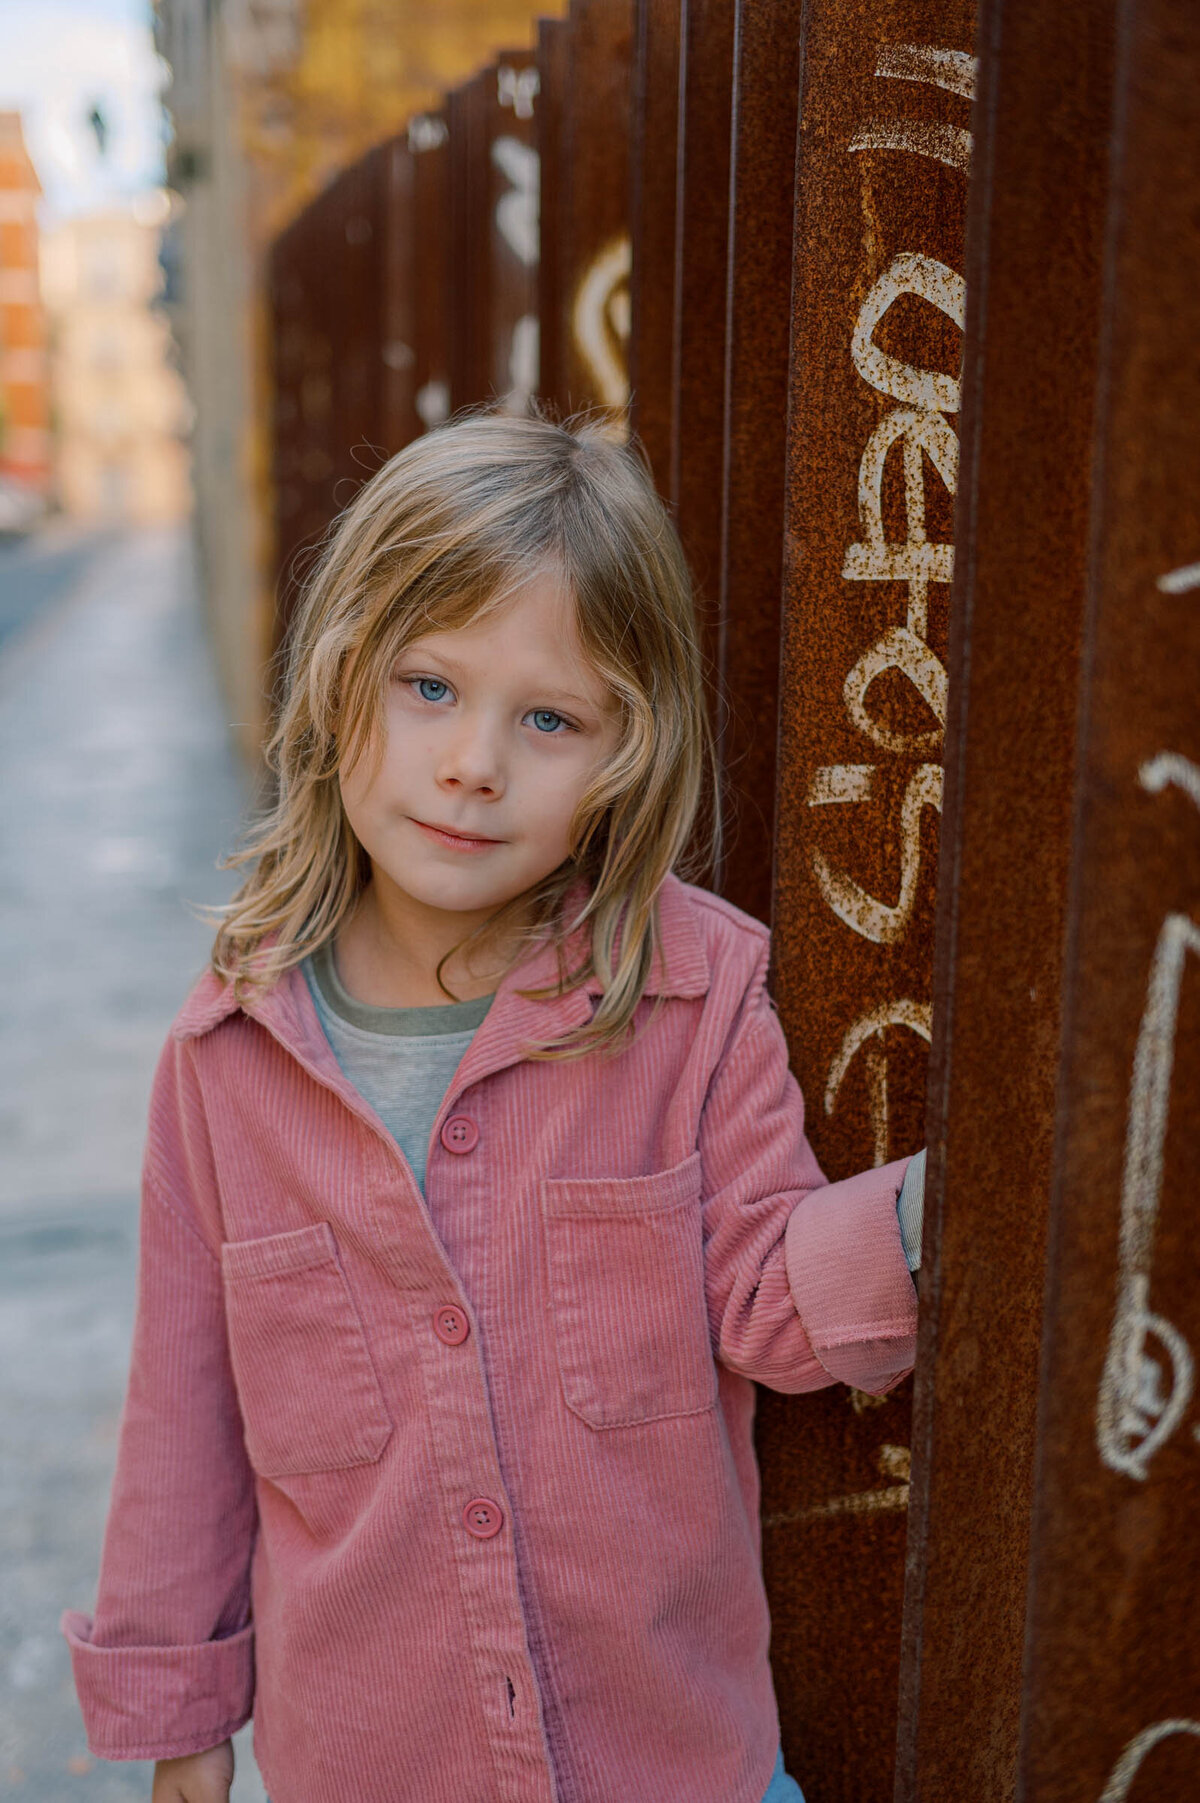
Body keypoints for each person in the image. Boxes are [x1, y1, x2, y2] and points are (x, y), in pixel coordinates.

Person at [62, 411, 925, 1803]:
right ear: (341, 676)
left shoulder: (695, 1001)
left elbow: (770, 1296)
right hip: (366, 1761)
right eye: (428, 687)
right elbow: (185, 1409)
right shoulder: (228, 1059)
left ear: (624, 755)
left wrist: (969, 1197)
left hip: (671, 1763)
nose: (474, 763)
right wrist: (182, 1724)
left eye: (548, 719)